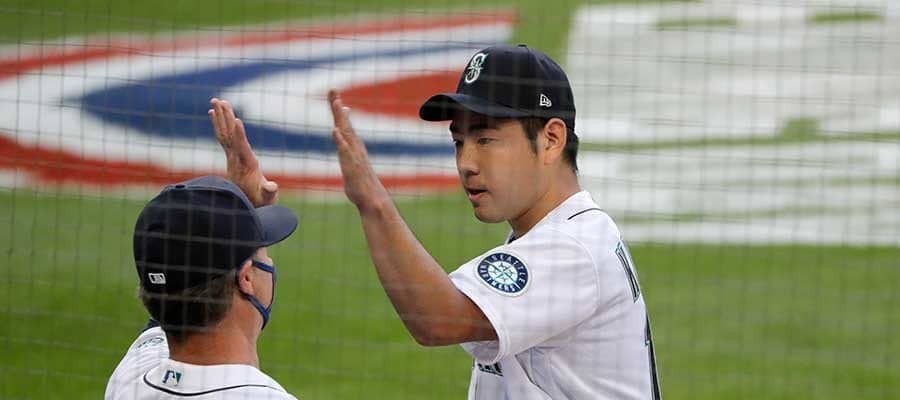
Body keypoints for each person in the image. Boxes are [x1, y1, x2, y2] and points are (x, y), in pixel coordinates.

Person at [214, 44, 660, 399]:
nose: (466, 162)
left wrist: (372, 200)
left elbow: (437, 319)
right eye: (459, 141)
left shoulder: (573, 248)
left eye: (486, 139)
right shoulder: (560, 235)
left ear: (551, 139)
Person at [104, 173, 299, 399]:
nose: (270, 261)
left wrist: (241, 214)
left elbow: (172, 291)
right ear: (246, 278)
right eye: (264, 252)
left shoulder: (129, 381)